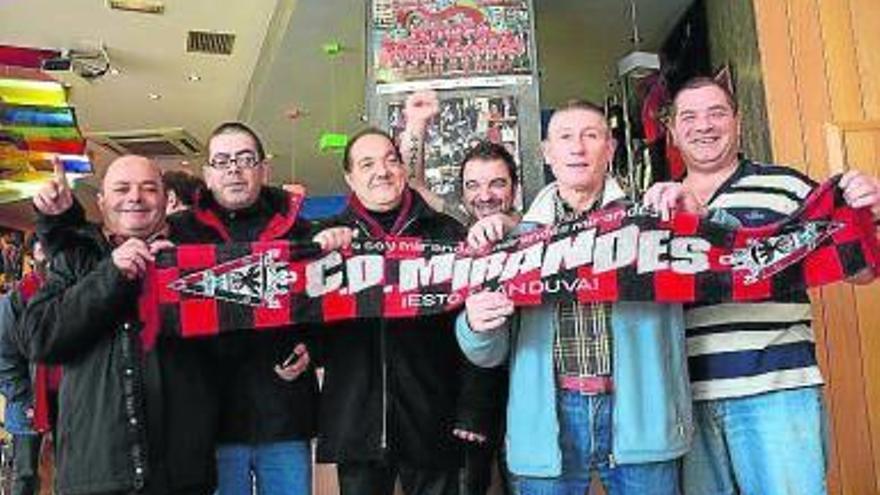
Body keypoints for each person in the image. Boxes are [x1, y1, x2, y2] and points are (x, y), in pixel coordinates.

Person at [642, 77, 880, 495]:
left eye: (717, 113)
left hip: (777, 392)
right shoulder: (656, 205)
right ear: (673, 132)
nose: (704, 125)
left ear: (738, 122)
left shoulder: (788, 187)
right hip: (686, 401)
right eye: (689, 117)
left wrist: (870, 211)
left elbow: (861, 271)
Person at [457, 101, 691, 495]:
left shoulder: (653, 222)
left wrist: (697, 214)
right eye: (565, 137)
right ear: (548, 153)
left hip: (642, 415)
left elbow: (730, 261)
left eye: (591, 136)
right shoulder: (514, 241)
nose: (578, 148)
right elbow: (487, 354)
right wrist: (475, 325)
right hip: (545, 421)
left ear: (610, 148)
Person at [22, 155, 219, 495]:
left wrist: (183, 277)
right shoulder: (77, 256)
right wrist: (110, 274)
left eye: (148, 188)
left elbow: (229, 346)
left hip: (182, 474)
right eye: (122, 188)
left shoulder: (198, 254)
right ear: (101, 201)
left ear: (167, 199)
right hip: (95, 473)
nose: (135, 197)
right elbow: (40, 339)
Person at [314, 128, 469, 495]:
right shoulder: (323, 238)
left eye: (390, 160)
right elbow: (309, 332)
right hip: (357, 421)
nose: (381, 171)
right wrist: (316, 258)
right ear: (350, 177)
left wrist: (471, 410)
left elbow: (472, 328)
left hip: (433, 417)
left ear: (403, 168)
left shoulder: (447, 233)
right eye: (367, 164)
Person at [173, 122, 318, 495]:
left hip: (285, 415)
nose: (234, 169)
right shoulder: (177, 234)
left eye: (245, 159)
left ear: (263, 169)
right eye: (222, 161)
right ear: (208, 174)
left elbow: (328, 308)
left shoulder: (301, 231)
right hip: (209, 419)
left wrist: (313, 348)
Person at [0, 239, 50, 495]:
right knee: (25, 474)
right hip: (27, 401)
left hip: (67, 399)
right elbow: (4, 357)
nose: (49, 256)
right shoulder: (15, 300)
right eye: (42, 249)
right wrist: (24, 397)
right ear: (31, 256)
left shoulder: (72, 294)